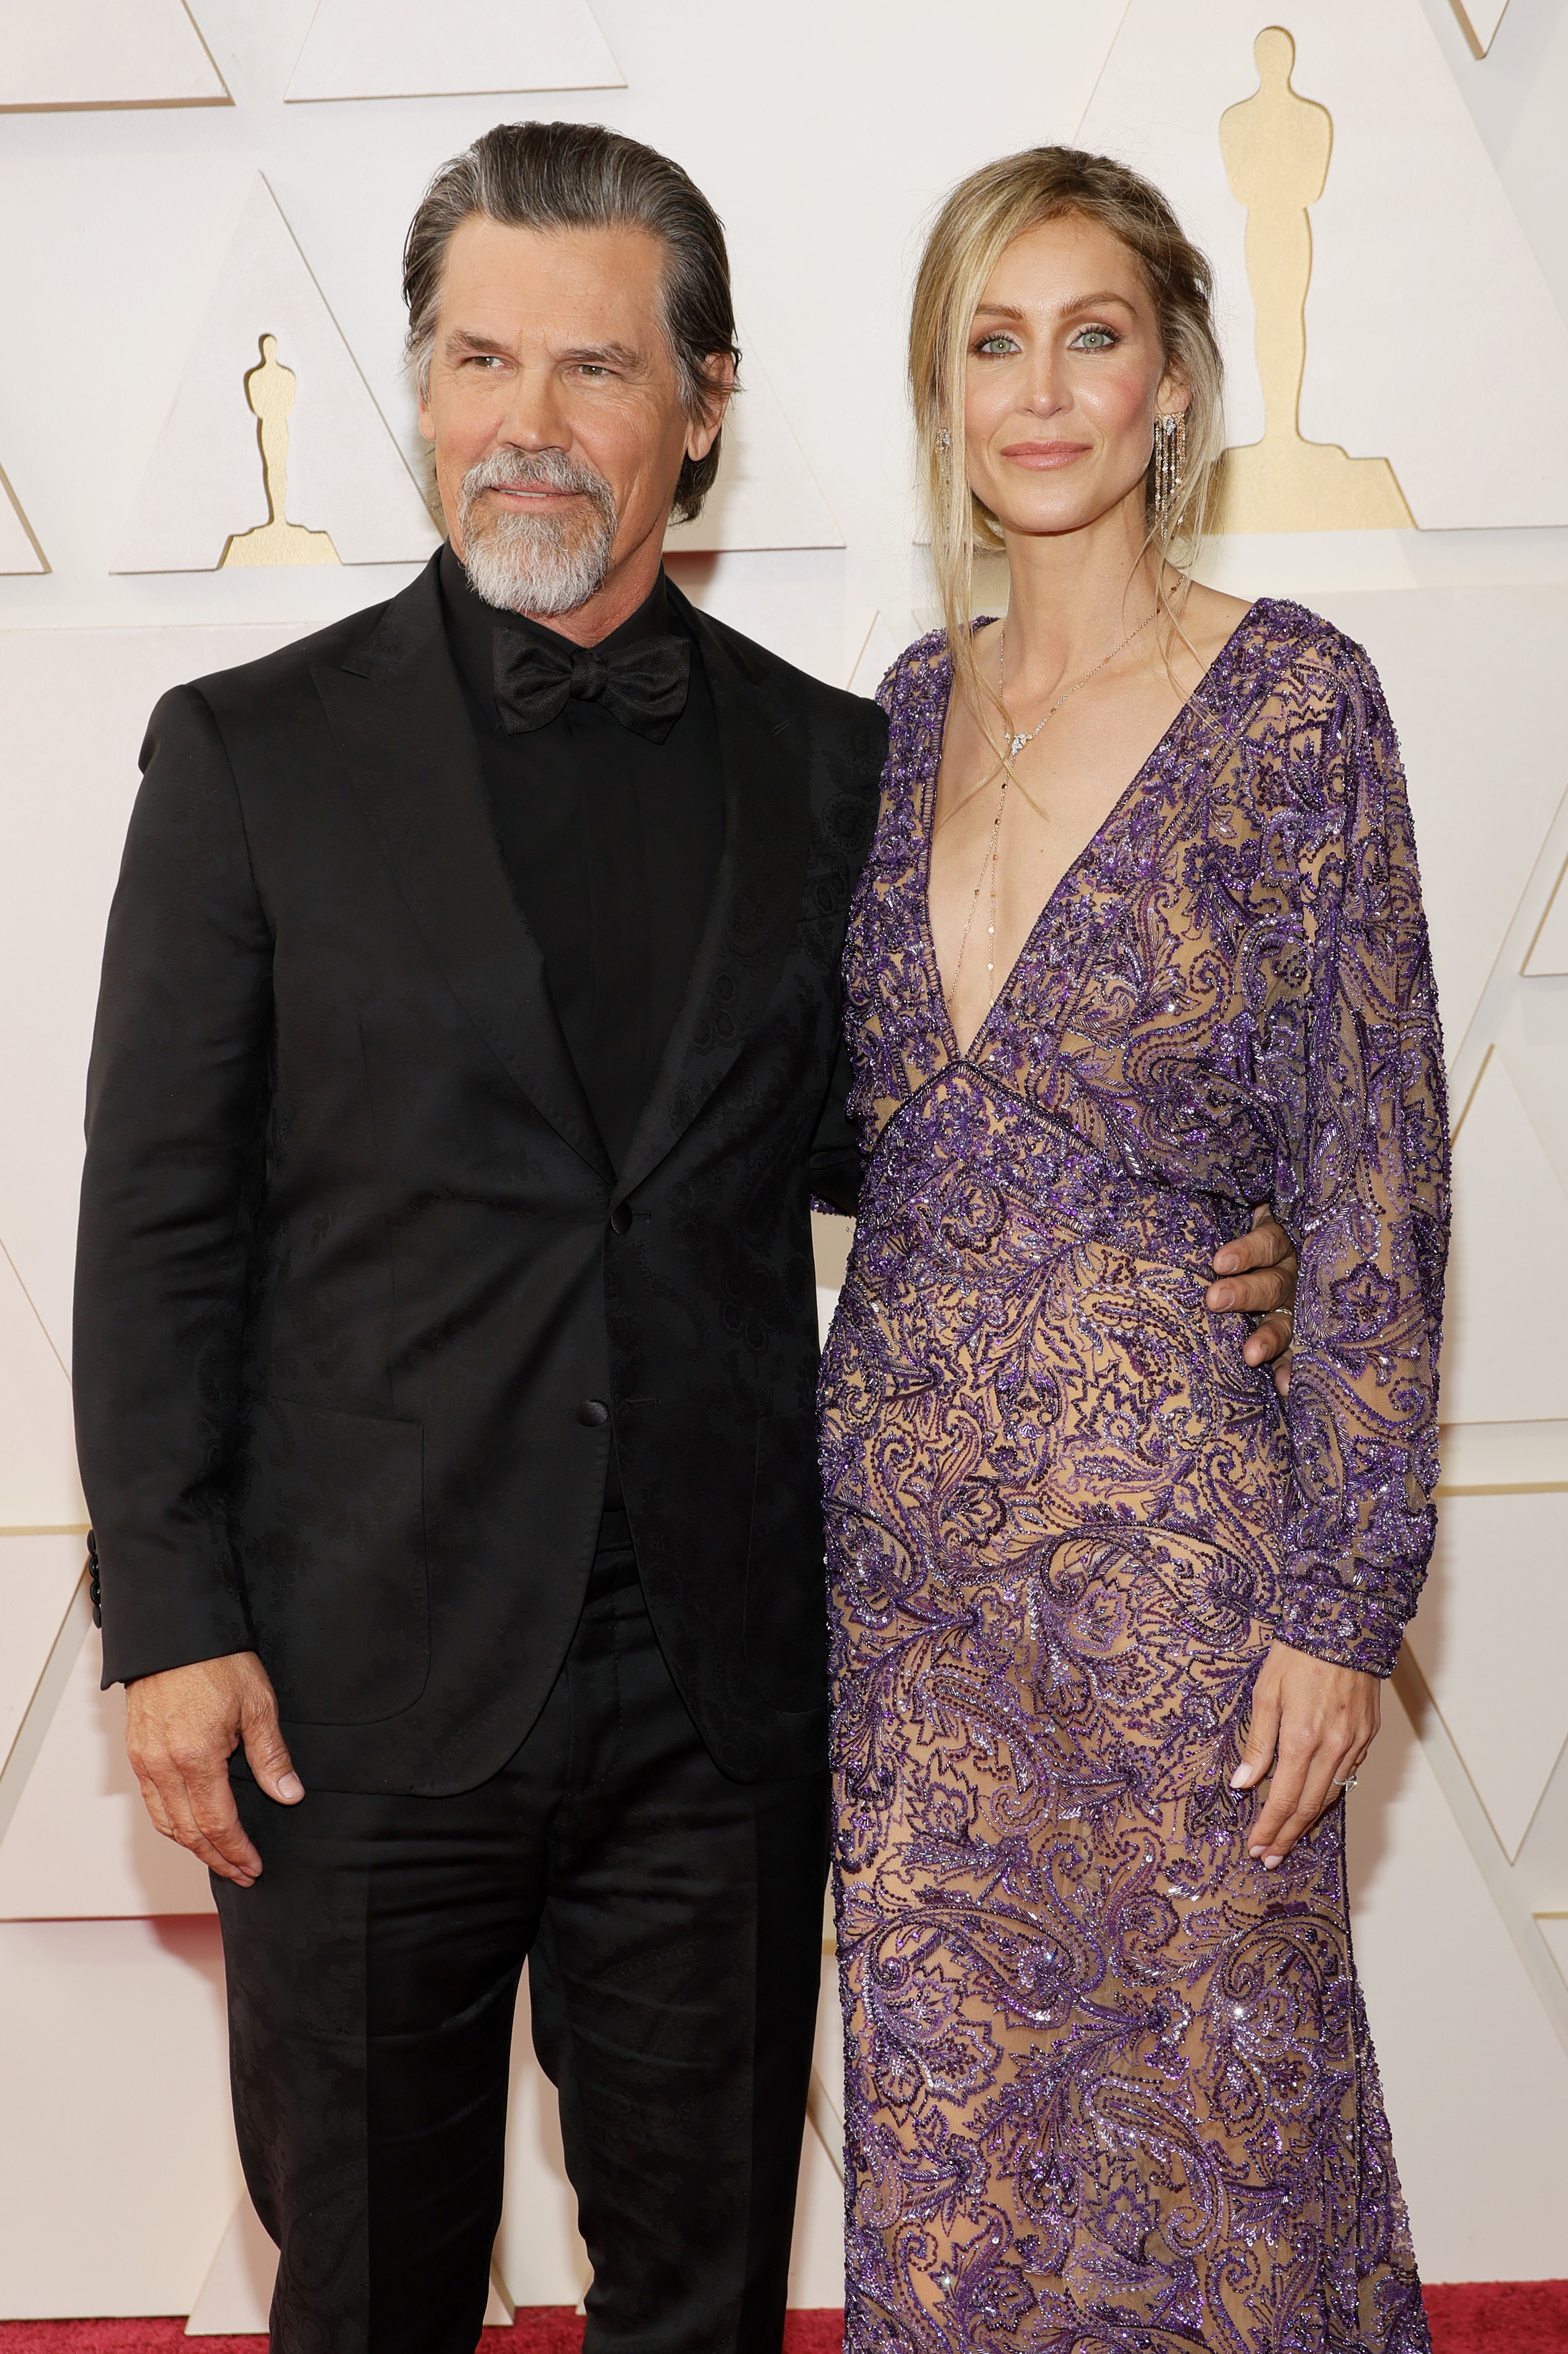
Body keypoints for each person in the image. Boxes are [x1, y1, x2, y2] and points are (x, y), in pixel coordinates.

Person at [73, 121, 1296, 2354]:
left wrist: (1195, 1237)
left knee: (709, 2297)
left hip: (719, 1698)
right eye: (477, 361)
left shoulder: (845, 765)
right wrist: (167, 1618)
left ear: (704, 404)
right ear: (424, 391)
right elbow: (153, 1217)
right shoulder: (248, 758)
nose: (527, 423)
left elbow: (922, 1132)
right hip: (353, 1687)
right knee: (365, 2292)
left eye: (596, 370)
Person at [819, 146, 1447, 2353]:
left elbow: (1376, 1183)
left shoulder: (1295, 710)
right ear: (943, 393)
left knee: (1228, 2146)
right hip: (907, 1598)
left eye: (1093, 334)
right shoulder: (894, 723)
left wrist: (1342, 1596)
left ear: (1174, 377)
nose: (1045, 392)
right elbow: (835, 1123)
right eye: (994, 342)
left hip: (1192, 1584)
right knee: (957, 2159)